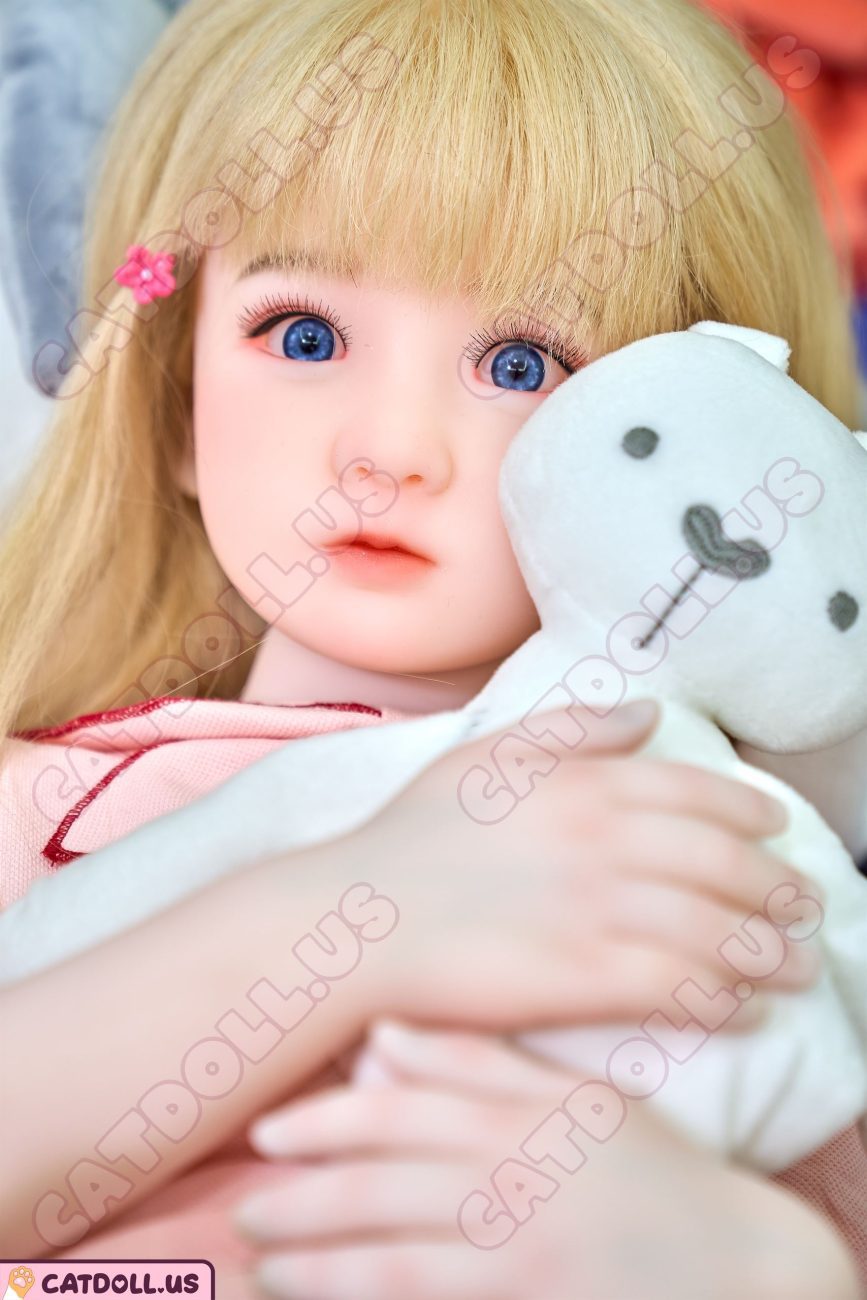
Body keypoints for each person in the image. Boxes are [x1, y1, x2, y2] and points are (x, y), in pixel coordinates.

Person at [0, 0, 863, 1293]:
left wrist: (759, 1259)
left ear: (714, 413)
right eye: (302, 336)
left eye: (522, 361)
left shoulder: (724, 852)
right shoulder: (42, 806)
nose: (390, 448)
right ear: (175, 404)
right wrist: (353, 910)